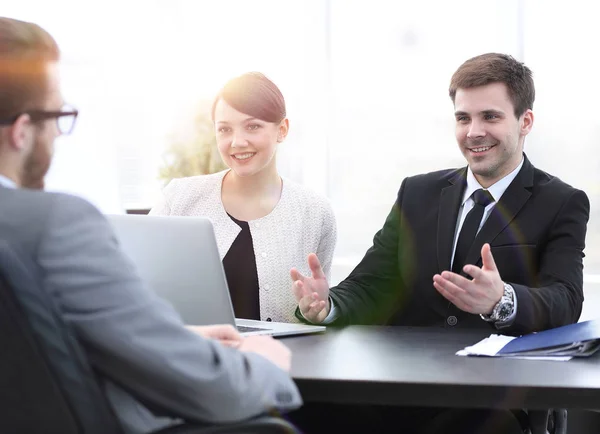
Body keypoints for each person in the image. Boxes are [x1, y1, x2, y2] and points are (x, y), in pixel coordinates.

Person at [0, 17, 301, 434]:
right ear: (20, 132)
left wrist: (171, 337)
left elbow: (39, 342)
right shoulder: (55, 225)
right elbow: (211, 391)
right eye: (57, 115)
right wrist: (262, 364)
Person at [290, 53, 589, 433]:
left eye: (491, 117)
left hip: (488, 395)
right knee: (306, 406)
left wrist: (502, 300)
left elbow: (565, 300)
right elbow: (372, 283)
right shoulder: (417, 192)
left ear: (525, 121)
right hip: (400, 384)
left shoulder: (562, 201)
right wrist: (327, 305)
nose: (473, 131)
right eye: (463, 118)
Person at [150, 72, 336, 323]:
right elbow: (138, 283)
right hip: (195, 356)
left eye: (253, 126)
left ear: (282, 130)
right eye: (224, 129)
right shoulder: (179, 198)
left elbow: (318, 307)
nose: (237, 142)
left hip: (285, 359)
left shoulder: (316, 213)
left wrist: (316, 312)